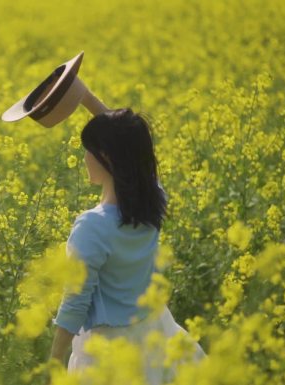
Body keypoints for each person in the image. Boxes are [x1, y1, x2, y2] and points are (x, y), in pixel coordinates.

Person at [48, 107, 206, 384]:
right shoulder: (153, 201)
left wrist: (54, 363)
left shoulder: (92, 226)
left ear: (107, 157)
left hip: (109, 349)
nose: (84, 158)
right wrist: (85, 97)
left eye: (89, 151)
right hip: (154, 330)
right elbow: (132, 146)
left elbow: (75, 302)